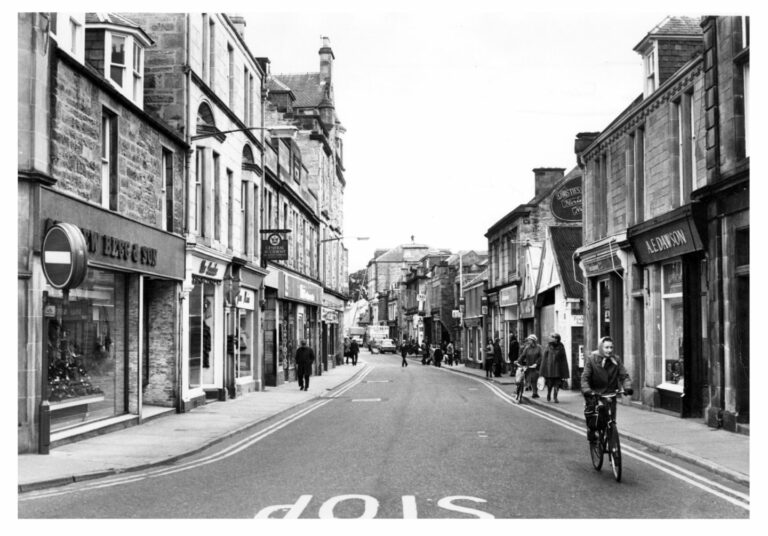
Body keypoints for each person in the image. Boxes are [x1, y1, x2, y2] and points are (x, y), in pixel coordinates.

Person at [581, 336, 633, 444]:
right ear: (601, 347)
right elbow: (585, 377)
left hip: (610, 394)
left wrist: (627, 387)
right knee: (594, 418)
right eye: (606, 347)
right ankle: (591, 431)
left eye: (611, 347)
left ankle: (612, 444)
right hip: (595, 393)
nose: (609, 350)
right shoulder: (592, 359)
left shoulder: (616, 360)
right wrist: (587, 390)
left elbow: (624, 375)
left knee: (611, 420)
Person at [540, 333, 570, 403]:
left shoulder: (561, 347)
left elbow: (564, 359)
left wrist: (565, 371)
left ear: (557, 339)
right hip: (549, 368)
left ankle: (555, 397)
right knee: (550, 384)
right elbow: (544, 358)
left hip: (558, 368)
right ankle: (548, 394)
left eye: (553, 337)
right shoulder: (548, 346)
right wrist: (542, 370)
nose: (551, 338)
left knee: (557, 384)